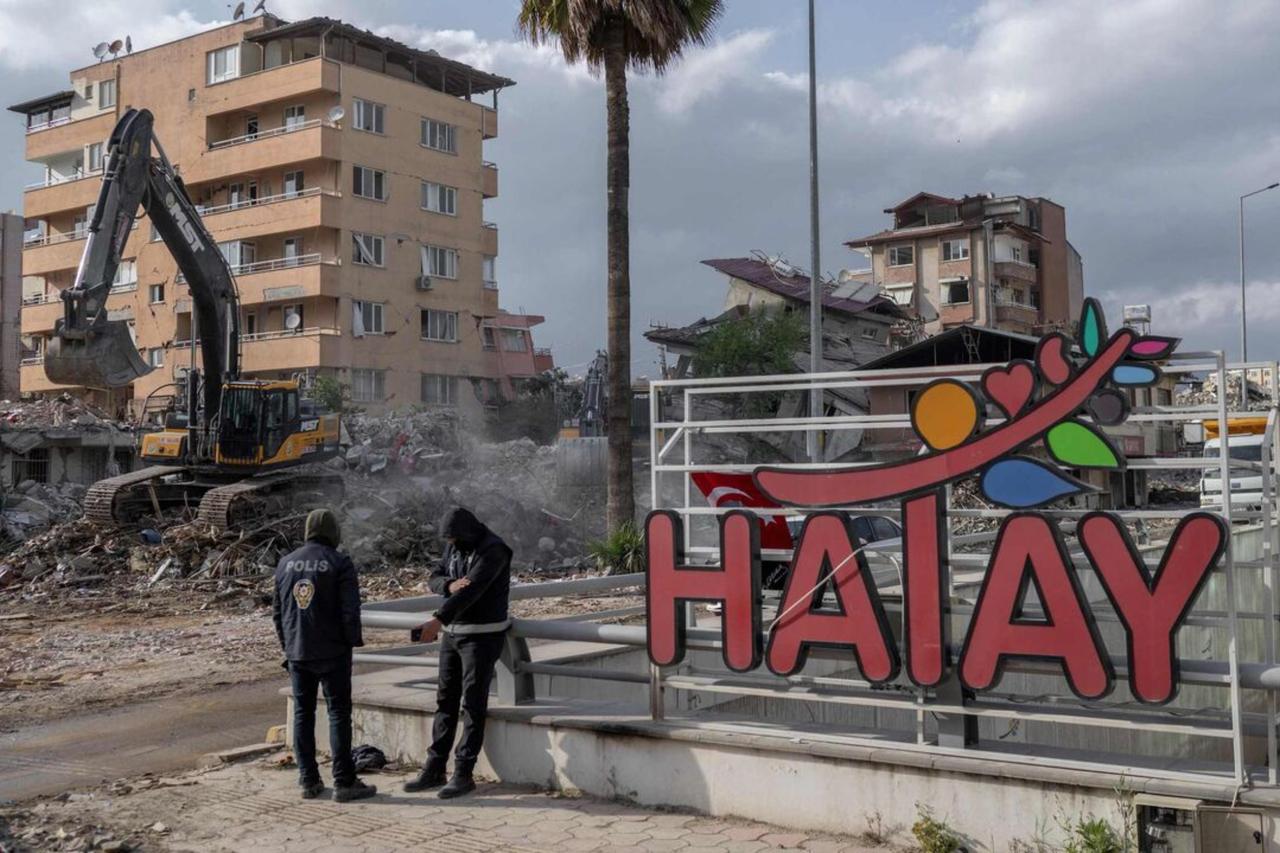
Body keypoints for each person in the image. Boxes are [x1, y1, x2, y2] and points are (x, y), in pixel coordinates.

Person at [404, 507, 512, 799]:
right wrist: (449, 584)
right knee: (445, 701)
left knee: (473, 704)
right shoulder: (455, 546)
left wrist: (437, 620)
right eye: (448, 541)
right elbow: (435, 577)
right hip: (453, 635)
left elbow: (472, 591)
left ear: (467, 532)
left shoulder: (494, 550)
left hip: (482, 636)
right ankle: (435, 766)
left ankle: (464, 772)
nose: (451, 545)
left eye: (453, 539)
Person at [273, 508, 377, 803]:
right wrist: (350, 642)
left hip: (298, 652)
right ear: (334, 532)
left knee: (303, 715)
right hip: (333, 652)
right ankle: (344, 781)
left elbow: (278, 613)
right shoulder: (339, 562)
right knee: (338, 714)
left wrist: (288, 646)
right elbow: (350, 611)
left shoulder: (285, 563)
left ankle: (308, 780)